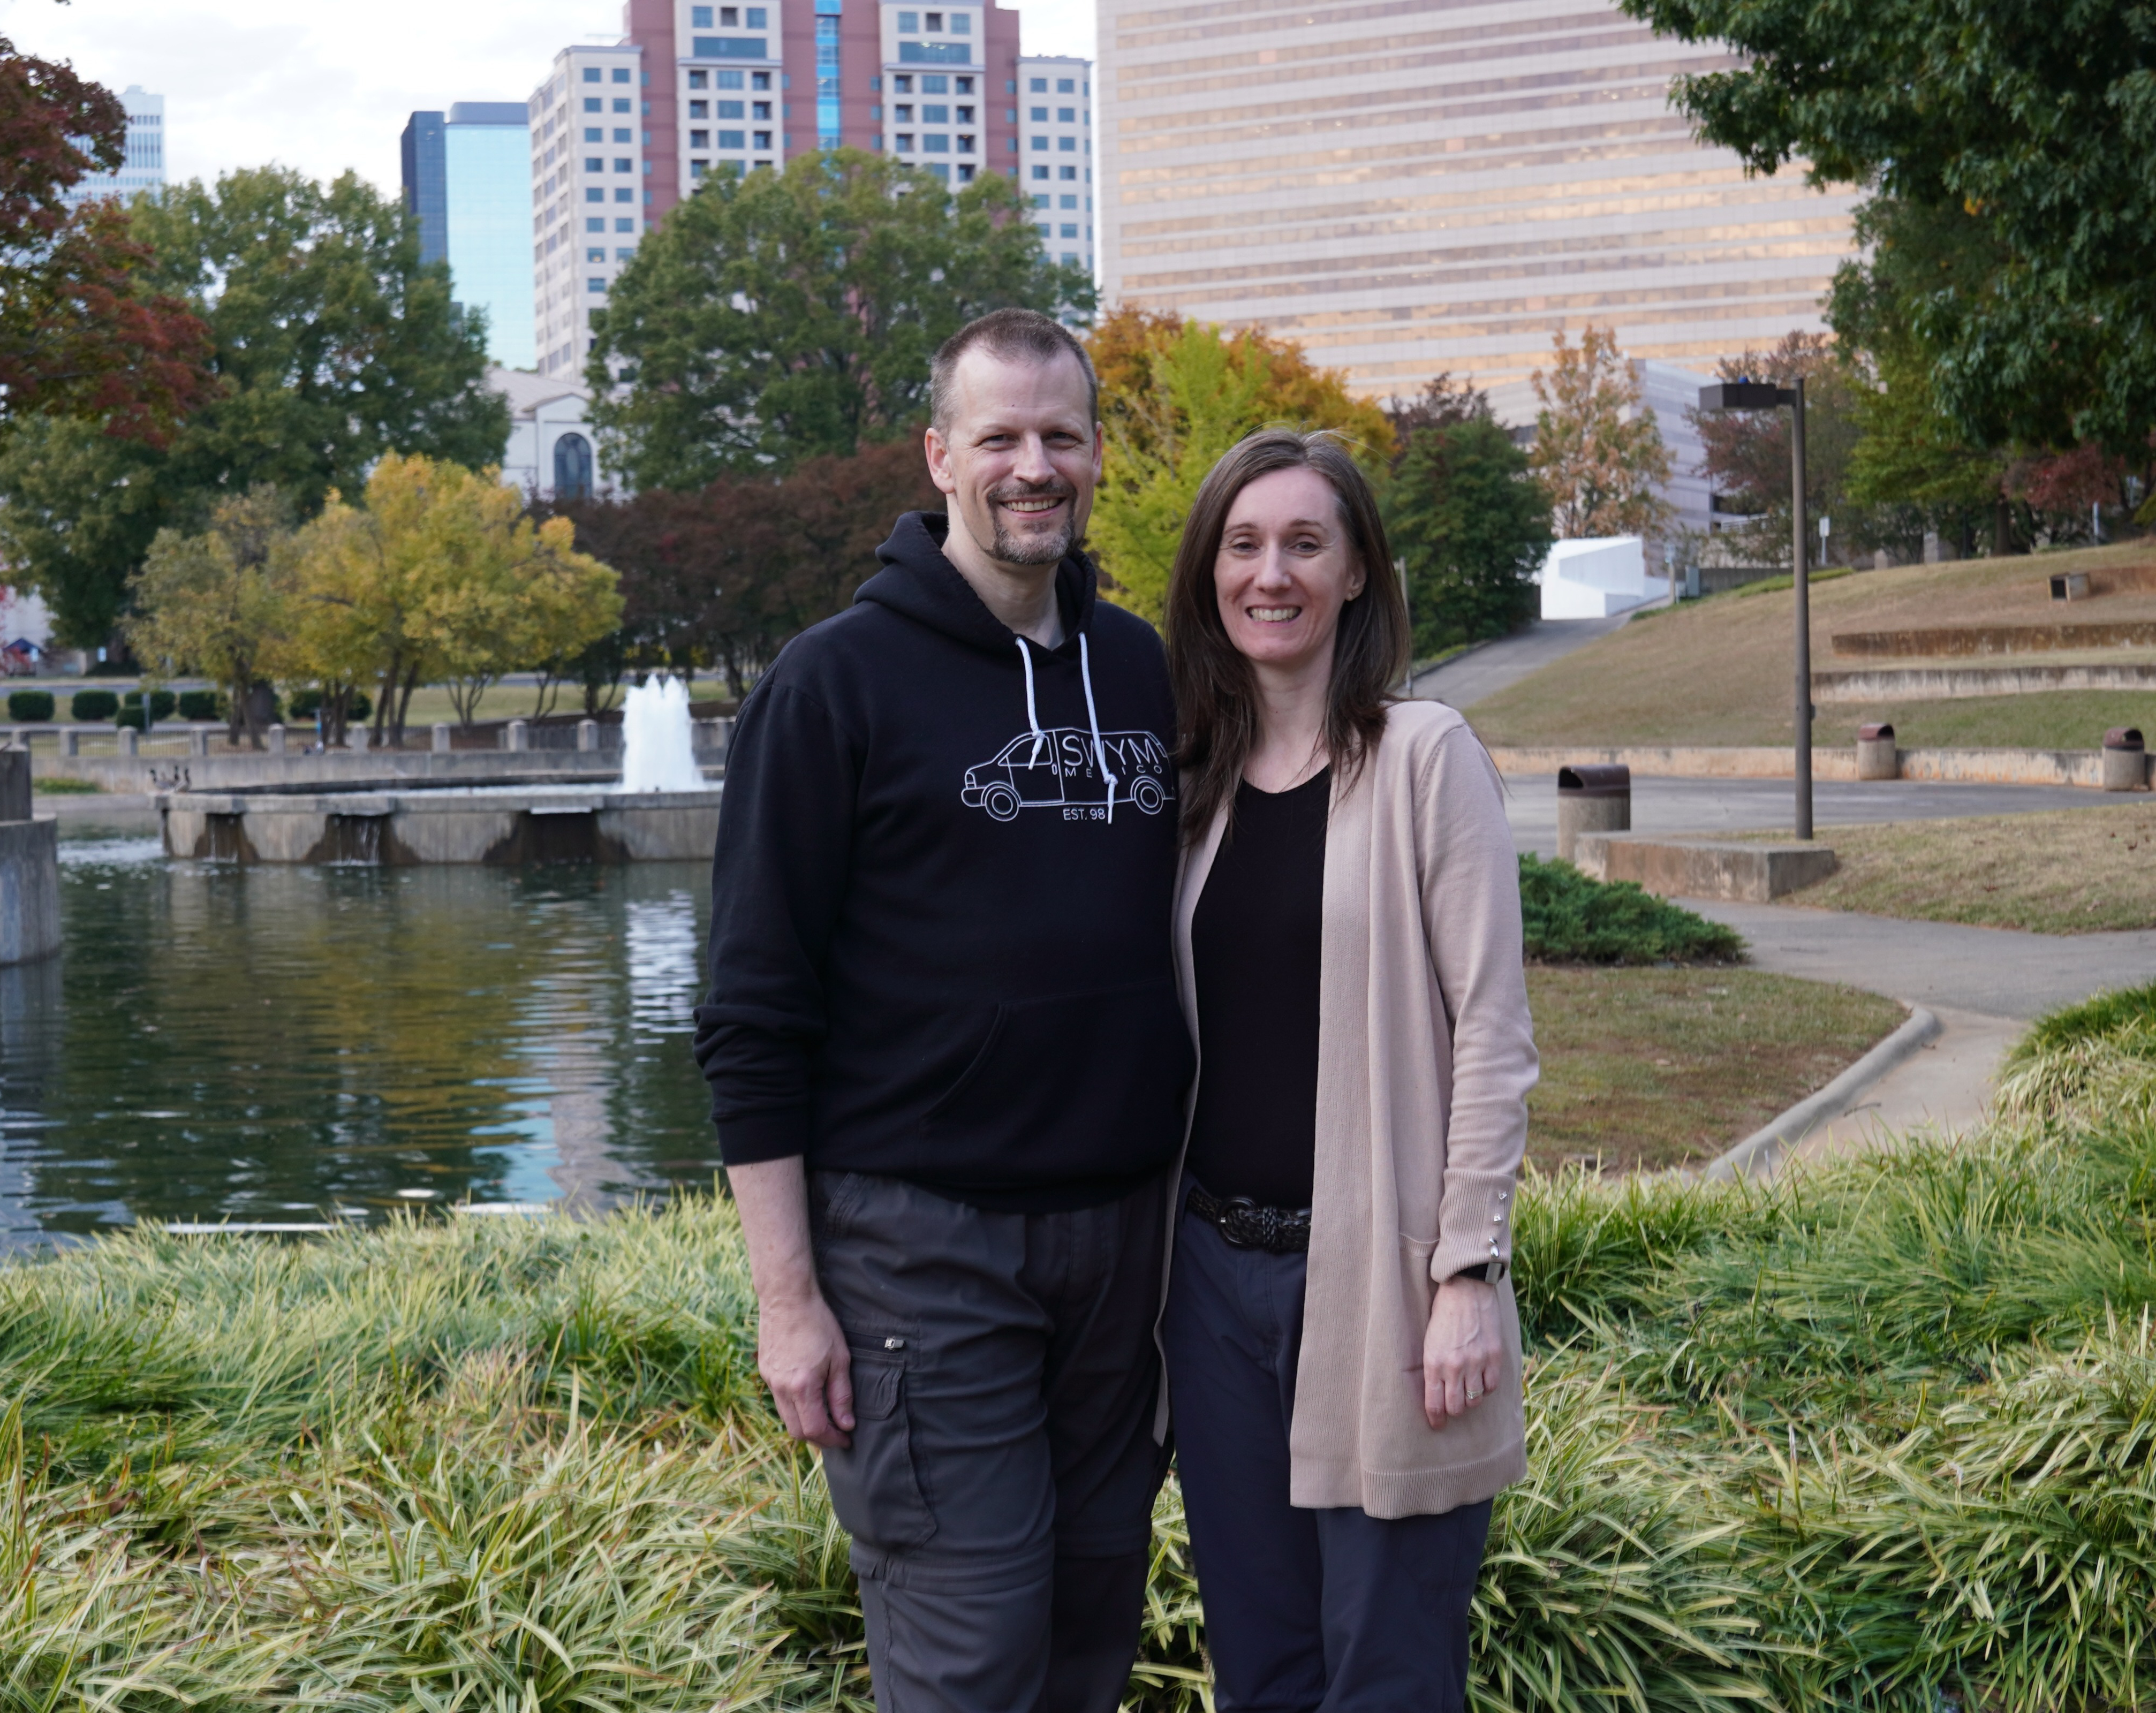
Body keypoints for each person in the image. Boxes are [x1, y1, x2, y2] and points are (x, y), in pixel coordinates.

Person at [692, 308, 1193, 1713]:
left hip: (1123, 1248)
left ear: (1095, 455)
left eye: (1060, 437)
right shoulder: (831, 685)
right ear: (939, 457)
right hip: (921, 1252)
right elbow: (749, 1016)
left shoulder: (1147, 671)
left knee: (1089, 1635)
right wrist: (787, 1302)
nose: (1033, 467)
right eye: (999, 439)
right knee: (969, 1653)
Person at [1158, 429, 1539, 1712]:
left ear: (1359, 571)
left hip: (1381, 1282)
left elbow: (1494, 1029)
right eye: (1244, 544)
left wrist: (1468, 1269)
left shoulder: (1425, 756)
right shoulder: (1191, 783)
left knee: (1386, 1677)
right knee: (1259, 1674)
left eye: (1305, 542)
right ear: (1211, 572)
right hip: (1212, 1289)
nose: (1272, 573)